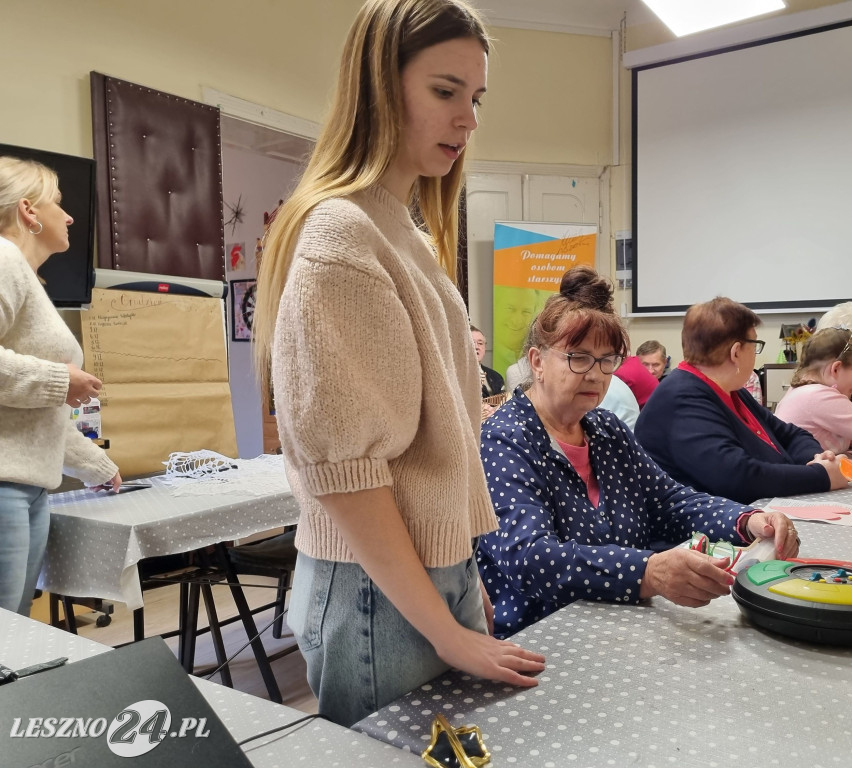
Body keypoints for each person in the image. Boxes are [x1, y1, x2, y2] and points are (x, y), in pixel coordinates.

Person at [251, 0, 544, 727]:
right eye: (445, 91)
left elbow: (435, 453)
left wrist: (463, 589)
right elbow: (347, 477)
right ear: (379, 85)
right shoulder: (342, 234)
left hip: (418, 582)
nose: (468, 119)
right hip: (375, 594)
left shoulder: (402, 231)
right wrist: (446, 629)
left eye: (474, 98)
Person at [477, 268, 800, 638]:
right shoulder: (503, 440)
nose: (596, 375)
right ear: (537, 362)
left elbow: (669, 501)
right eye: (579, 358)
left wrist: (747, 520)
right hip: (541, 640)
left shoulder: (606, 430)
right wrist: (648, 571)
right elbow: (528, 558)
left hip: (621, 630)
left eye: (607, 360)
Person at [0, 156, 121, 616]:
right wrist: (59, 378)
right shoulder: (3, 257)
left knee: (13, 635)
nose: (68, 217)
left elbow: (39, 415)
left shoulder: (28, 278)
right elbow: (50, 389)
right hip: (5, 489)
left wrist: (97, 465)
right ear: (29, 211)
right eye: (59, 203)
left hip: (26, 489)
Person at [635, 297, 846, 505]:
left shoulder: (730, 389)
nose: (755, 353)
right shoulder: (681, 397)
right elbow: (736, 477)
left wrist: (817, 458)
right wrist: (819, 476)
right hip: (702, 532)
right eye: (755, 345)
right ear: (736, 352)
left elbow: (790, 434)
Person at [471, 325, 504, 397]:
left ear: (485, 347)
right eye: (472, 343)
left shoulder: (496, 376)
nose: (476, 347)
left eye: (480, 343)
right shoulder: (457, 376)